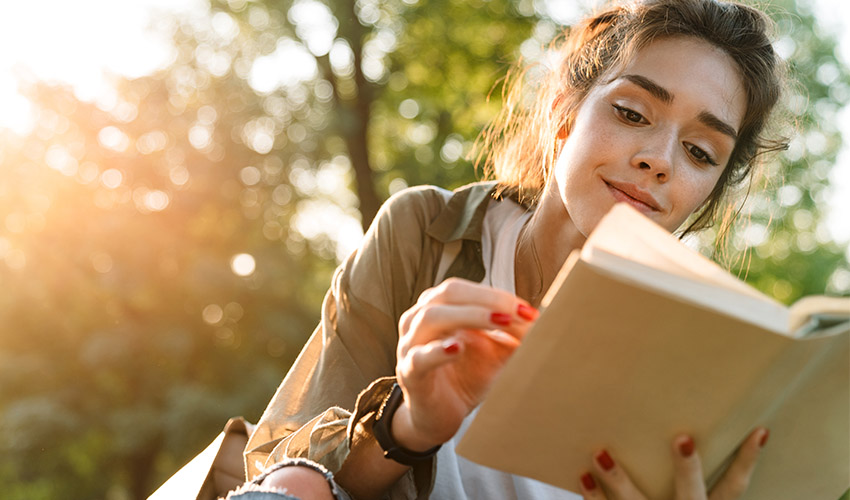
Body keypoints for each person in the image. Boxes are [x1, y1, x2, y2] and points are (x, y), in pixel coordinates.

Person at [226, 0, 787, 498]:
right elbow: (283, 468)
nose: (660, 159)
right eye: (632, 113)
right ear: (564, 112)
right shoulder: (426, 233)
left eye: (699, 151)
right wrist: (410, 426)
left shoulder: (699, 357)